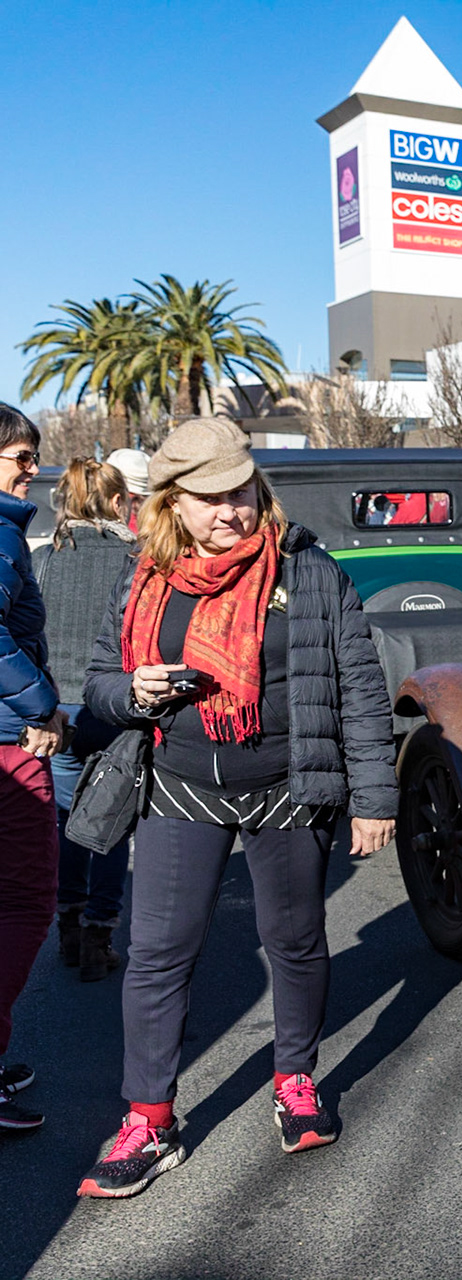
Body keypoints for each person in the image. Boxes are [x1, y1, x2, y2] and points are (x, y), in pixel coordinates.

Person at [78, 418, 396, 1196]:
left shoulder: (311, 571)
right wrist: (131, 692)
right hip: (178, 788)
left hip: (289, 789)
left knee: (294, 941)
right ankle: (149, 1120)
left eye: (242, 492)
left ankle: (295, 1079)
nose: (231, 511)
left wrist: (374, 796)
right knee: (157, 954)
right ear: (172, 506)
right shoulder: (141, 576)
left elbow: (359, 684)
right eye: (210, 498)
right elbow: (95, 682)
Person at [34, 460, 137, 982]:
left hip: (57, 709)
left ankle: (68, 928)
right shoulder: (135, 559)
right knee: (111, 823)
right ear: (119, 504)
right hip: (116, 705)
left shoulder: (44, 559)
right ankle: (100, 934)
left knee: (66, 822)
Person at [0, 405, 66, 1133]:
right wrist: (42, 704)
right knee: (25, 900)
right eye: (20, 454)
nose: (31, 467)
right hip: (10, 746)